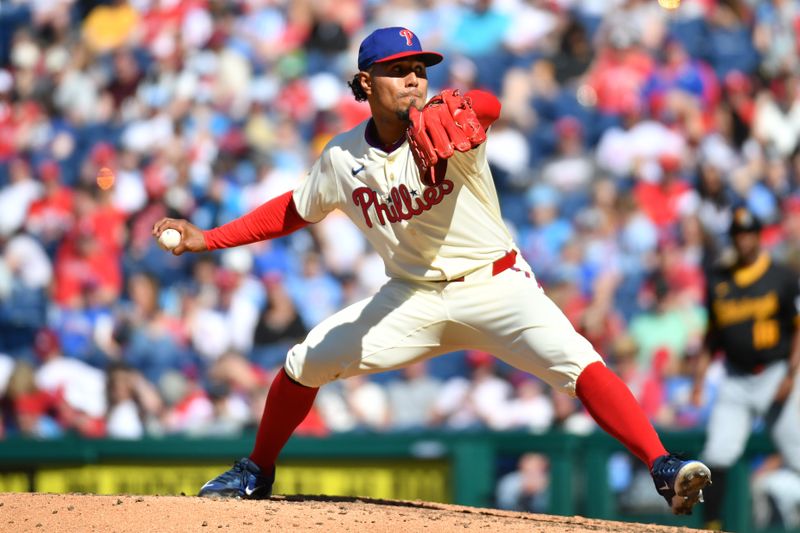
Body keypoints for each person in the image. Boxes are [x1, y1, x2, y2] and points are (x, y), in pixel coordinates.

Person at [153, 27, 710, 514]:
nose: (414, 80)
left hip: (496, 284)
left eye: (419, 69)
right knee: (305, 361)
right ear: (366, 83)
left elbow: (487, 107)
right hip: (412, 297)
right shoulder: (343, 158)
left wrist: (466, 107)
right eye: (398, 72)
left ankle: (662, 464)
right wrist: (209, 238)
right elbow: (295, 209)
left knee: (579, 362)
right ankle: (257, 471)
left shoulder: (450, 119)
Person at [692, 206, 800, 530]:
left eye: (749, 233)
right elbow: (712, 335)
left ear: (758, 236)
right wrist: (699, 379)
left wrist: (792, 375)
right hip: (736, 377)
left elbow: (798, 329)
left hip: (777, 373)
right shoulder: (719, 280)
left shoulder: (781, 275)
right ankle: (712, 525)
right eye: (739, 234)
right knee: (717, 454)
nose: (744, 240)